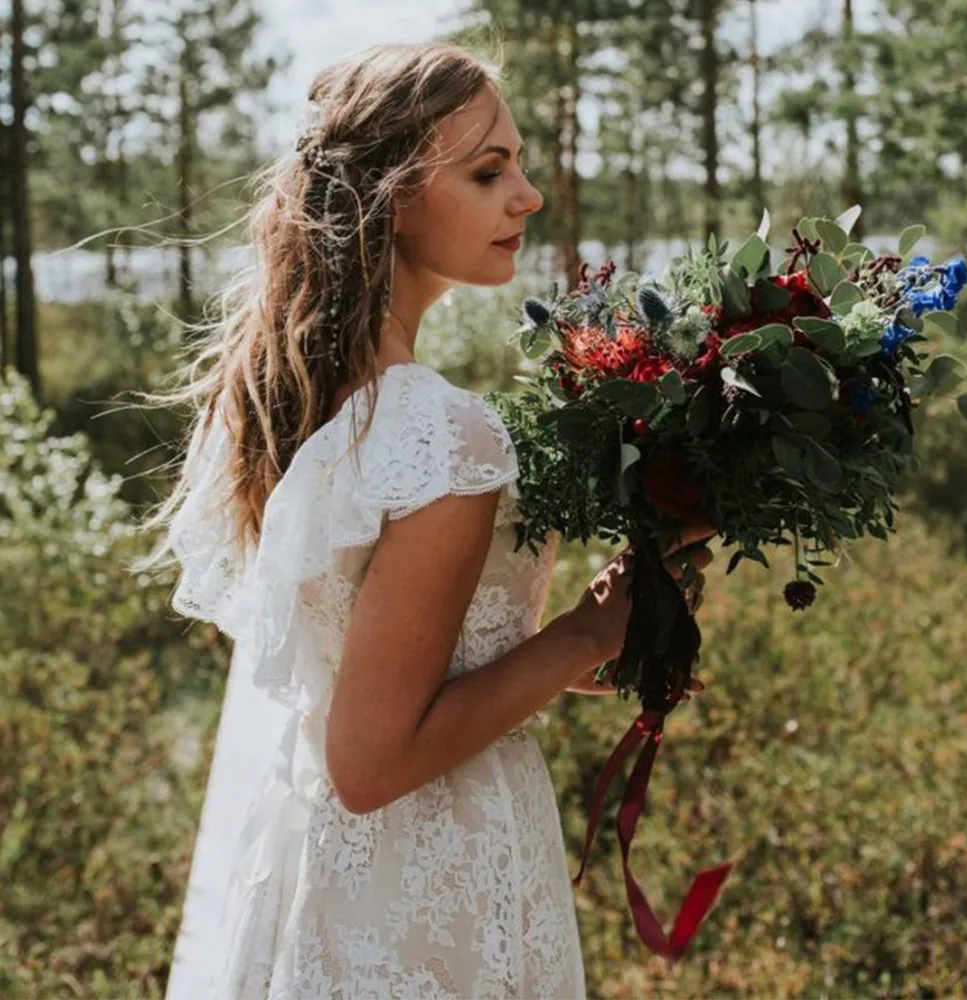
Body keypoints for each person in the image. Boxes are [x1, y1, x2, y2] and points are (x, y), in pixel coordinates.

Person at [136, 40, 715, 1000]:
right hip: (429, 881)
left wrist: (619, 618)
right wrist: (586, 629)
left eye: (519, 165)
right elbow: (371, 760)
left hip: (336, 871)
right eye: (489, 171)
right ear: (392, 195)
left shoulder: (324, 403)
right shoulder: (439, 436)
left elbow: (408, 679)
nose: (527, 196)